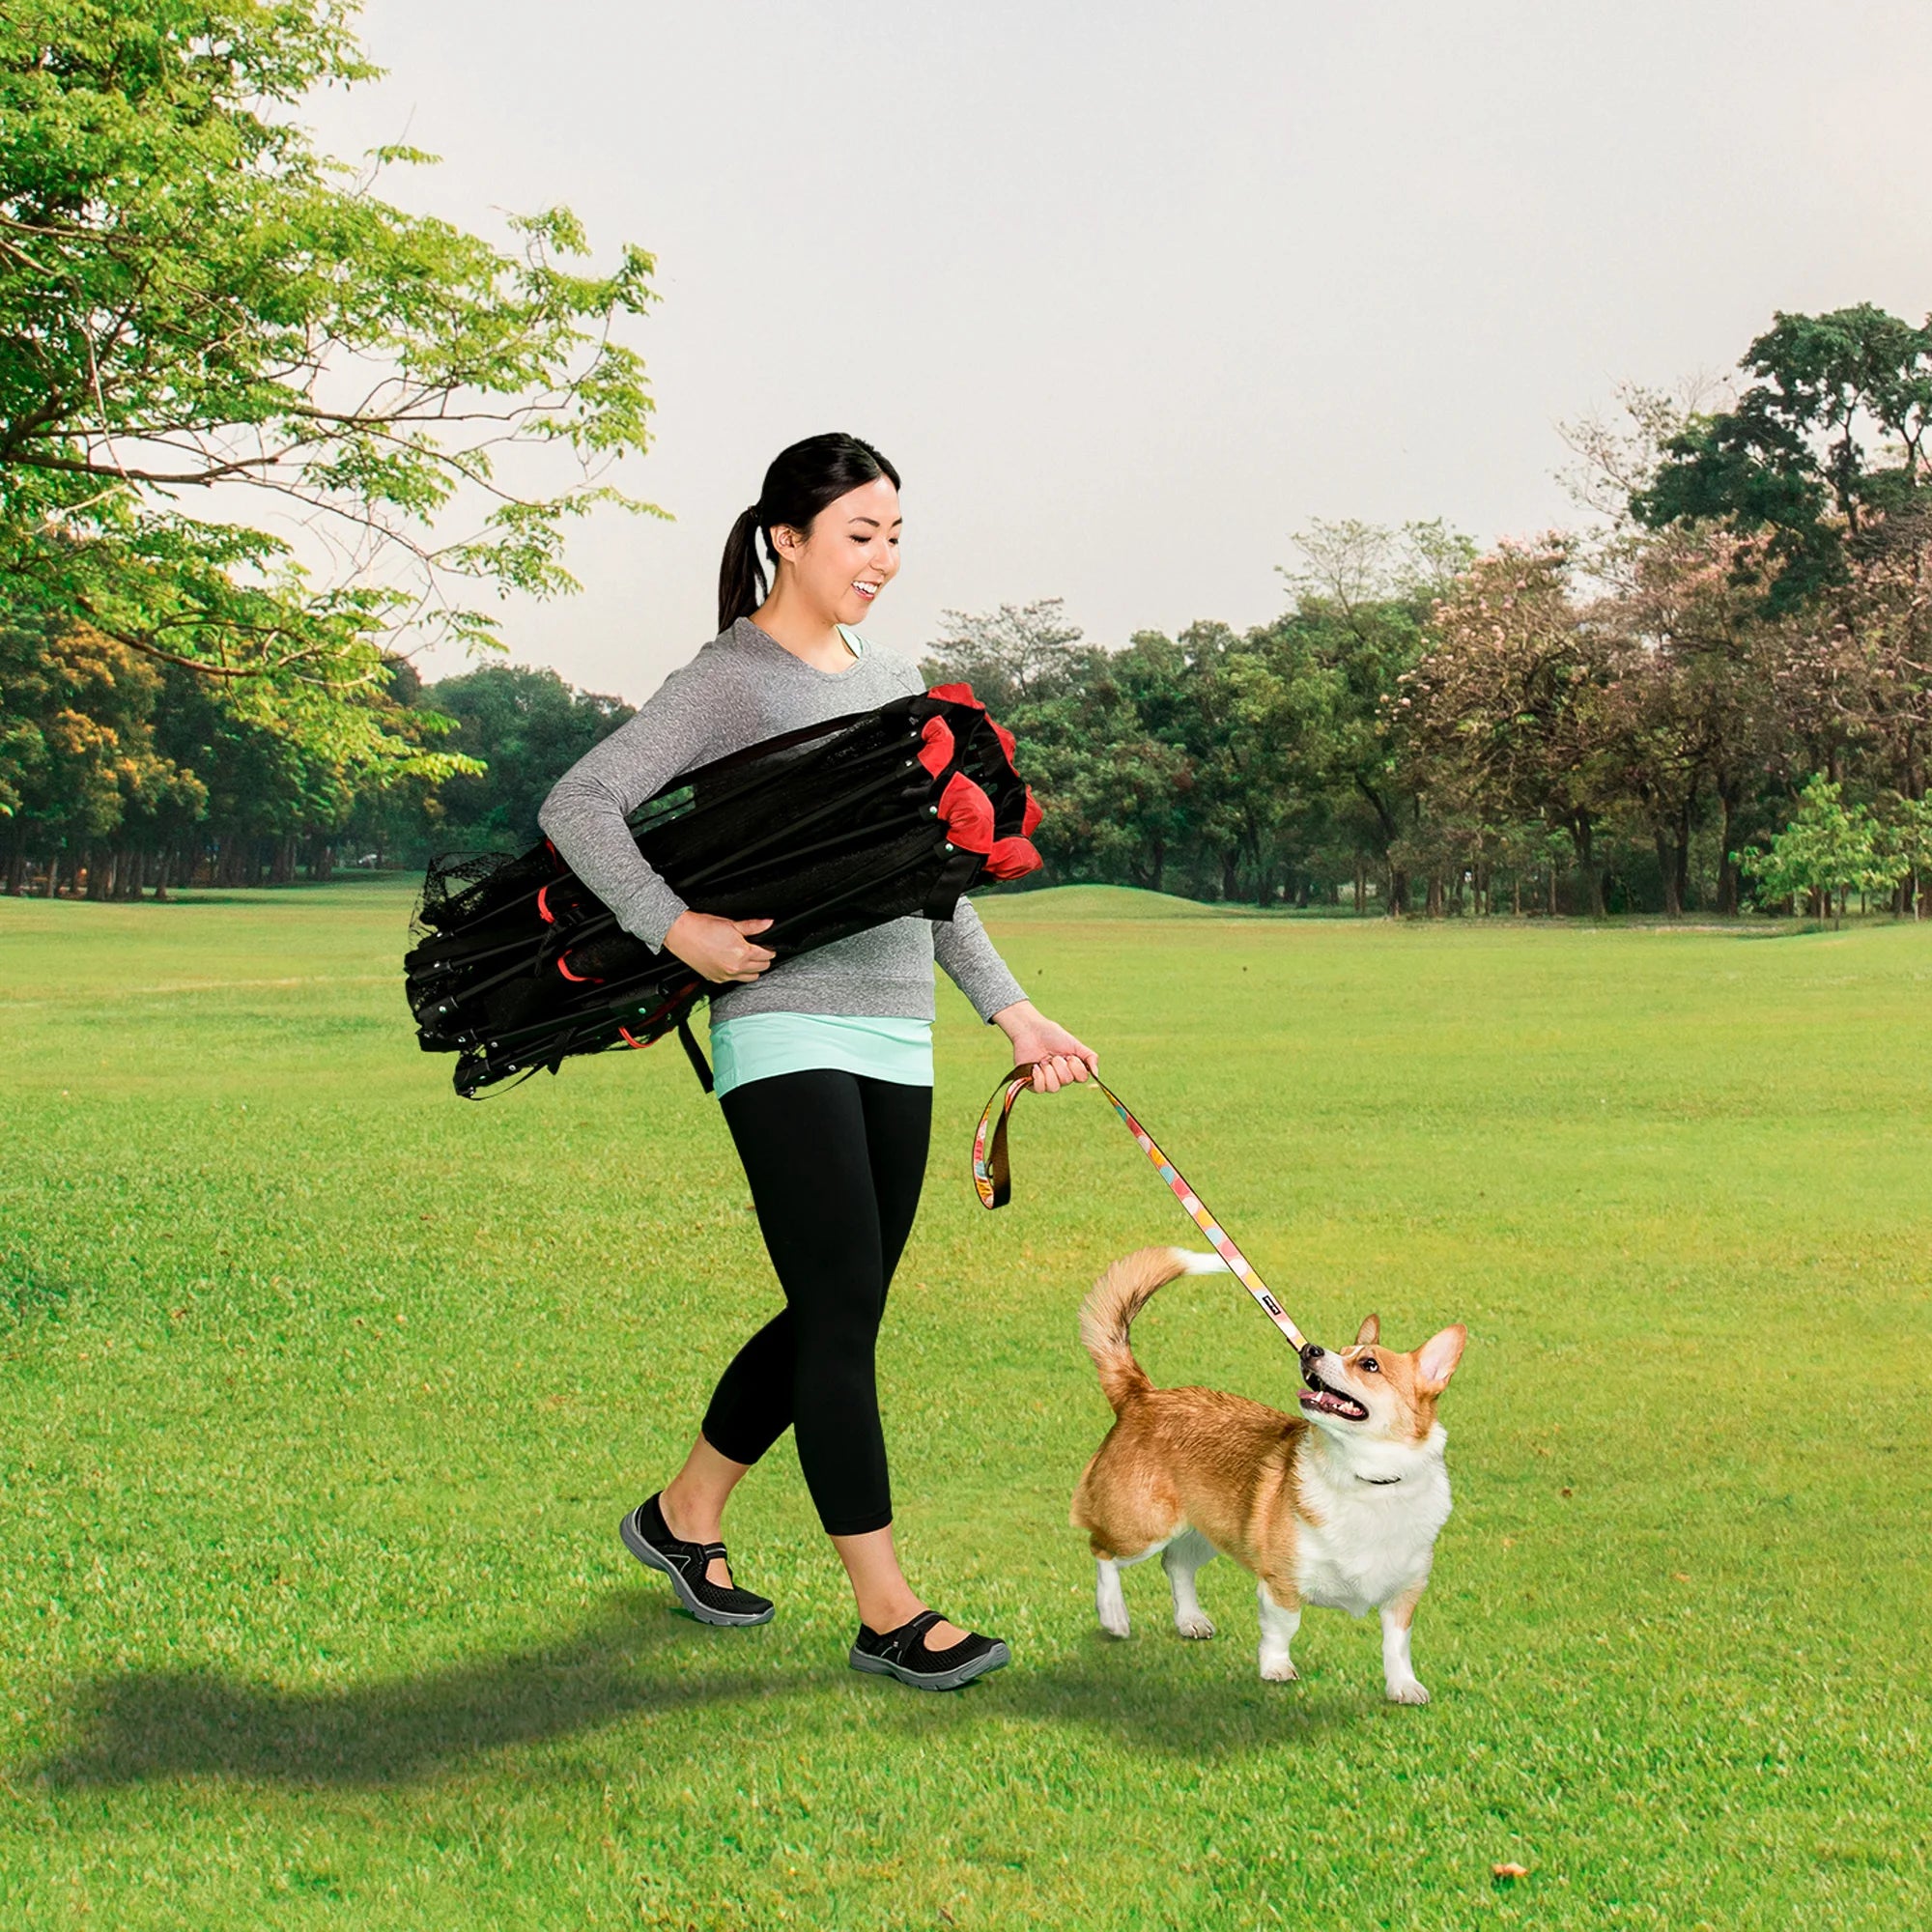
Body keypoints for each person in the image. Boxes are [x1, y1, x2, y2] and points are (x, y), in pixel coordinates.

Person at [537, 431, 1096, 1691]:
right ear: (786, 538)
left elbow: (933, 879)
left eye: (896, 534)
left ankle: (682, 1519)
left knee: (836, 1307)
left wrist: (1013, 1014)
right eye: (861, 534)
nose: (884, 559)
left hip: (896, 1028)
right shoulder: (729, 680)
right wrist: (673, 926)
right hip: (780, 1025)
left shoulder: (896, 682)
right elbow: (581, 803)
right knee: (843, 1311)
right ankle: (889, 1609)